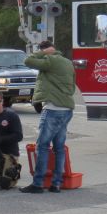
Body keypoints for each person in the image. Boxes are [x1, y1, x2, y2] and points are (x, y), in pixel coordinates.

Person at [19, 39, 76, 194]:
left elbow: (28, 60)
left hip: (52, 109)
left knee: (42, 146)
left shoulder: (50, 60)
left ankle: (38, 184)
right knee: (59, 148)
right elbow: (73, 85)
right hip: (66, 109)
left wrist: (43, 53)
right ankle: (56, 184)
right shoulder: (67, 62)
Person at [0, 88, 24, 188]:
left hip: (8, 153)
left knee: (5, 184)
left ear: (2, 102)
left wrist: (0, 140)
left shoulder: (11, 115)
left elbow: (18, 136)